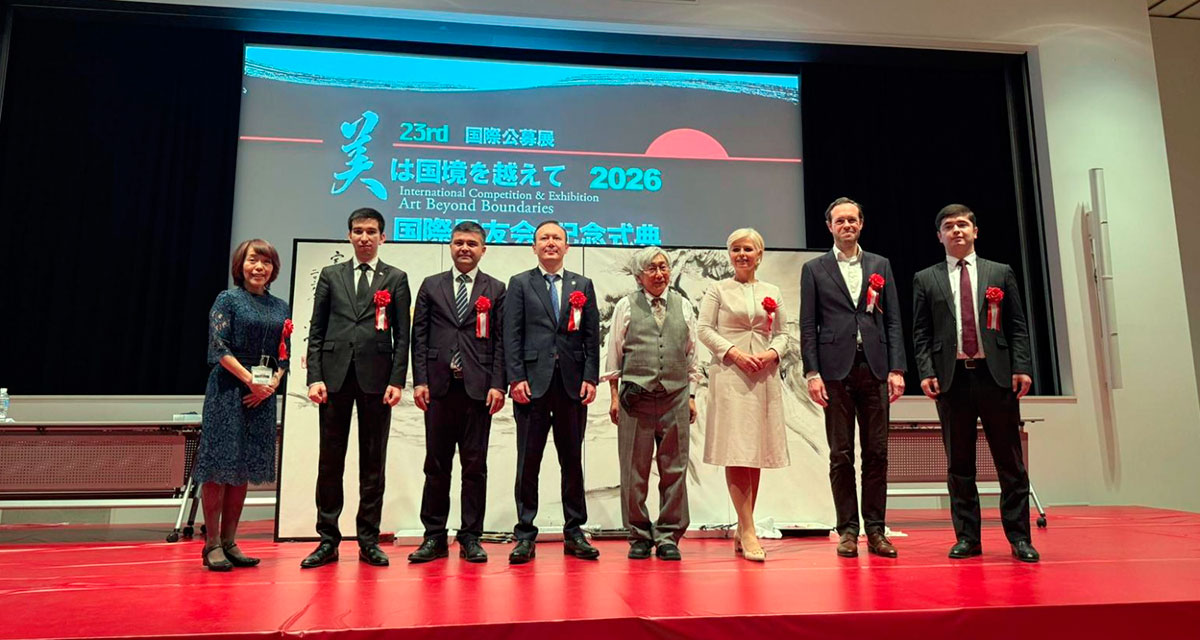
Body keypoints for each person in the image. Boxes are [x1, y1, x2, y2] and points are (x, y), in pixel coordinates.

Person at [911, 204, 1039, 563]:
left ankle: (1020, 538)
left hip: (996, 377)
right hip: (952, 380)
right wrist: (926, 371)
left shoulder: (1000, 272)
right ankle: (968, 538)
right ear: (939, 236)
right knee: (960, 464)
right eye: (949, 226)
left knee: (1010, 463)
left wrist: (1022, 366)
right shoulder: (926, 278)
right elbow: (921, 332)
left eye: (963, 224)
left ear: (975, 231)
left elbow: (1017, 325)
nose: (957, 230)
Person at [301, 208, 411, 568]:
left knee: (373, 462)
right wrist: (314, 377)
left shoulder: (395, 278)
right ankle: (327, 540)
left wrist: (397, 380)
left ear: (383, 237)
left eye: (371, 231)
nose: (365, 237)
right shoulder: (331, 275)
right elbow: (316, 330)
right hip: (333, 380)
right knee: (330, 461)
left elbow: (403, 336)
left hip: (377, 381)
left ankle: (368, 540)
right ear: (349, 235)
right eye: (358, 231)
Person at [799, 197, 906, 558]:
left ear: (861, 224)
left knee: (877, 453)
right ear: (829, 226)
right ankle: (847, 529)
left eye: (852, 220)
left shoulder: (880, 264)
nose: (847, 225)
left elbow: (893, 320)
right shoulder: (814, 269)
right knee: (841, 454)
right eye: (840, 220)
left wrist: (896, 368)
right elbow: (808, 325)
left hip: (874, 368)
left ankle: (876, 530)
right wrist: (812, 372)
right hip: (834, 371)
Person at [408, 222, 506, 564]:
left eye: (472, 243)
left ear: (483, 249)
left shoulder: (496, 289)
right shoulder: (431, 285)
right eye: (459, 242)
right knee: (436, 465)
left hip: (478, 390)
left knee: (474, 466)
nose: (465, 248)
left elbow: (501, 342)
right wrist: (420, 381)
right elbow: (419, 337)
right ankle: (434, 536)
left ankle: (471, 537)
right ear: (450, 246)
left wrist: (498, 384)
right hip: (438, 389)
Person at [503, 220, 601, 564]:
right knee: (528, 461)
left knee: (571, 460)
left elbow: (591, 336)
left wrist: (591, 377)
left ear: (566, 246)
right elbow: (511, 334)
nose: (550, 243)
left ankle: (574, 531)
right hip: (531, 385)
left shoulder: (582, 285)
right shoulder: (520, 284)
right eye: (543, 238)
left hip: (571, 385)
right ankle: (525, 534)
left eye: (556, 238)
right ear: (534, 247)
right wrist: (516, 378)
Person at [193, 239, 290, 571]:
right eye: (253, 260)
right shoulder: (228, 299)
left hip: (262, 394)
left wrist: (272, 384)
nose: (259, 267)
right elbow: (218, 347)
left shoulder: (281, 306)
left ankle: (231, 541)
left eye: (266, 262)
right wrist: (251, 380)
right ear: (241, 265)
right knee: (219, 466)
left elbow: (284, 352)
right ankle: (212, 543)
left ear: (274, 268)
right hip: (229, 390)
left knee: (243, 466)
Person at [697, 228, 790, 562]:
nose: (741, 254)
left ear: (759, 254)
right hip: (730, 376)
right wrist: (734, 353)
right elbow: (704, 329)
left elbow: (783, 334)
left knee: (755, 451)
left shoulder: (772, 291)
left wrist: (772, 353)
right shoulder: (718, 289)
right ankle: (748, 529)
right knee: (737, 451)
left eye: (748, 249)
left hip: (763, 375)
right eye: (735, 249)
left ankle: (743, 525)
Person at [603, 248, 701, 561]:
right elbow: (614, 355)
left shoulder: (683, 305)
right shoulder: (625, 306)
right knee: (634, 470)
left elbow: (692, 354)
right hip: (636, 398)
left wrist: (692, 396)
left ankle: (669, 535)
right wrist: (614, 397)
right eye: (652, 269)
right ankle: (639, 535)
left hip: (676, 396)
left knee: (675, 468)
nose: (659, 274)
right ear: (639, 276)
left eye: (663, 267)